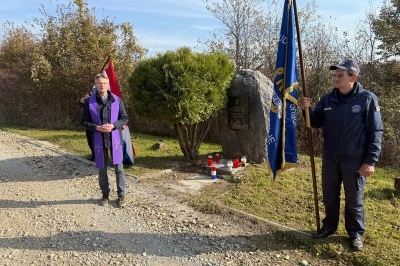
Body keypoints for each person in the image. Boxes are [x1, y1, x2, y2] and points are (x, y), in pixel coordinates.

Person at [299, 59, 383, 251]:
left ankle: (355, 234)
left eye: (340, 75)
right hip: (330, 158)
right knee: (330, 195)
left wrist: (370, 161)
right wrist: (307, 109)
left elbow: (376, 131)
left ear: (353, 77)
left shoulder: (367, 99)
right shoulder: (328, 99)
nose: (335, 78)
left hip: (354, 160)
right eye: (335, 75)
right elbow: (316, 121)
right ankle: (329, 227)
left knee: (354, 199)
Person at [81, 73, 129, 207]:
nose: (102, 85)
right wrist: (96, 127)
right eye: (99, 83)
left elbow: (124, 118)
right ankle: (105, 195)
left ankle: (121, 195)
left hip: (115, 138)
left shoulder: (117, 100)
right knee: (102, 169)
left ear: (108, 84)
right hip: (98, 139)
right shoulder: (89, 102)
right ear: (95, 85)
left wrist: (113, 125)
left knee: (119, 168)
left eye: (104, 83)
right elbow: (83, 121)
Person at [79, 88, 95, 161]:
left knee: (96, 141)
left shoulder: (99, 98)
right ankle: (94, 155)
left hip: (97, 122)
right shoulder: (88, 97)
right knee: (90, 141)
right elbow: (82, 105)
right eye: (91, 91)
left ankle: (99, 156)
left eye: (93, 91)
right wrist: (81, 101)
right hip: (88, 122)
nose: (91, 92)